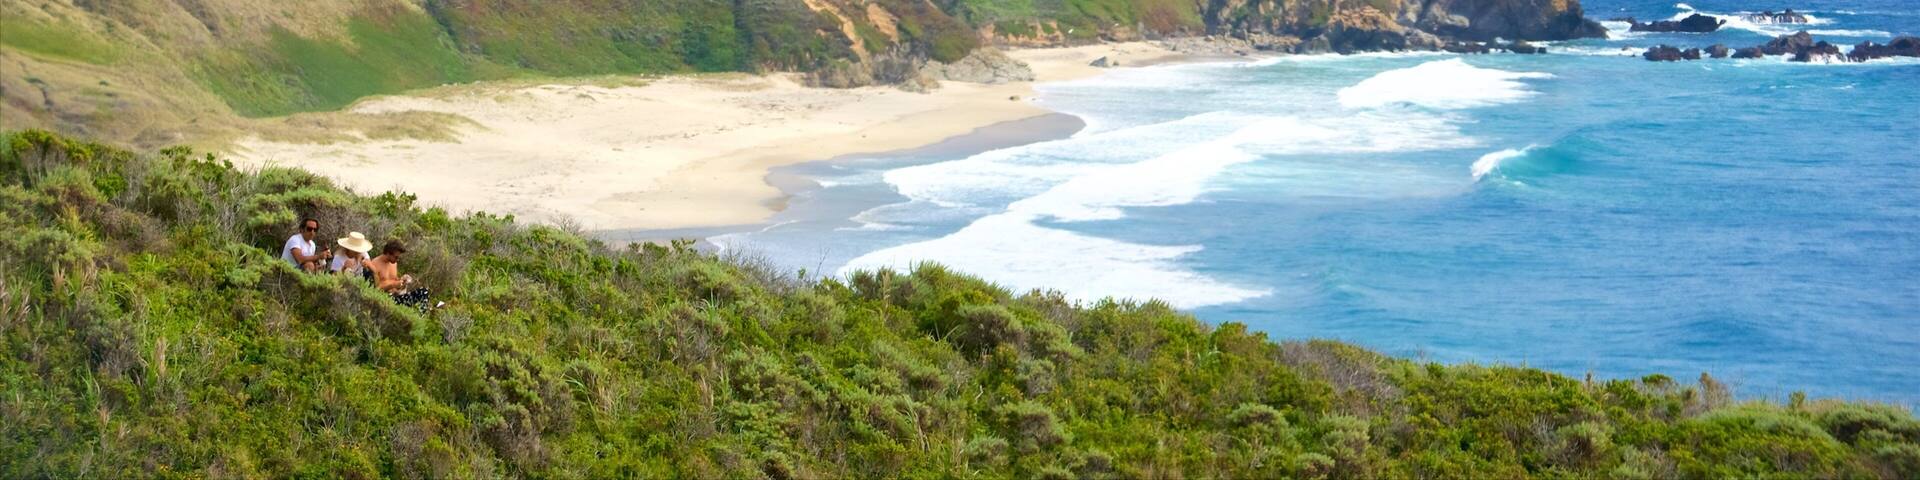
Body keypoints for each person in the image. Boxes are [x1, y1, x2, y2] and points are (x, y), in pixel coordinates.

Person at [367, 240, 435, 311]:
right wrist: (393, 285)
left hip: (396, 296)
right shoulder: (375, 264)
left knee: (423, 291)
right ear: (388, 253)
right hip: (384, 299)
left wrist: (402, 282)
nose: (397, 260)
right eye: (396, 257)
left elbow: (395, 282)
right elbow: (374, 288)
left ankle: (421, 316)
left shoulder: (393, 263)